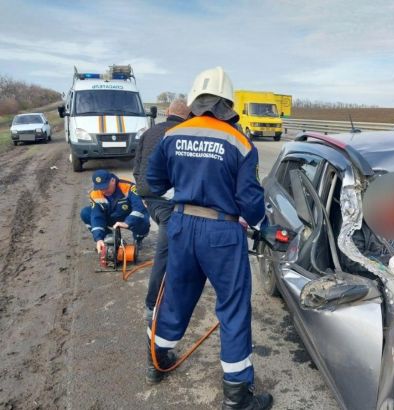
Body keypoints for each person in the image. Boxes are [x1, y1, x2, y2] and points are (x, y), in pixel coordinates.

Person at [146, 67, 272, 410]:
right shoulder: (240, 142)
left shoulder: (174, 135)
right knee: (232, 308)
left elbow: (153, 182)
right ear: (227, 103)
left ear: (196, 102)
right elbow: (251, 204)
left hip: (182, 226)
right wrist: (258, 218)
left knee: (176, 296)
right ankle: (236, 397)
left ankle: (157, 360)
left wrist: (185, 185)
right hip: (222, 233)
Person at [133, 99, 190, 321]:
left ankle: (178, 280)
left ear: (168, 112)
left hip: (149, 198)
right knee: (164, 252)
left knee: (177, 244)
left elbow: (136, 165)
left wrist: (144, 193)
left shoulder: (149, 132)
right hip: (167, 201)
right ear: (188, 116)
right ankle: (152, 305)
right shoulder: (183, 133)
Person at [80, 169, 150, 254]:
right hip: (111, 217)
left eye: (106, 187)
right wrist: (99, 238)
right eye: (101, 188)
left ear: (112, 180)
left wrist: (127, 222)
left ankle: (138, 239)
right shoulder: (95, 194)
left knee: (143, 217)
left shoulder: (128, 187)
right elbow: (97, 216)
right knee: (86, 213)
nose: (104, 191)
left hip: (128, 217)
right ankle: (109, 238)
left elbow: (139, 207)